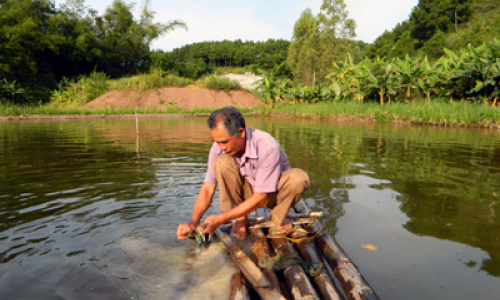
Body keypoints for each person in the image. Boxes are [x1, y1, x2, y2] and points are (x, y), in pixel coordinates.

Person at [176, 107, 310, 240]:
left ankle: (278, 216)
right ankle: (240, 218)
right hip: (248, 193)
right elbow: (207, 189)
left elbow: (261, 196)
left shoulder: (267, 146)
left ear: (240, 133)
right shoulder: (218, 149)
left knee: (298, 178)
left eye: (225, 142)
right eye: (217, 142)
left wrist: (222, 219)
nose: (222, 147)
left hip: (272, 194)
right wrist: (193, 222)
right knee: (222, 162)